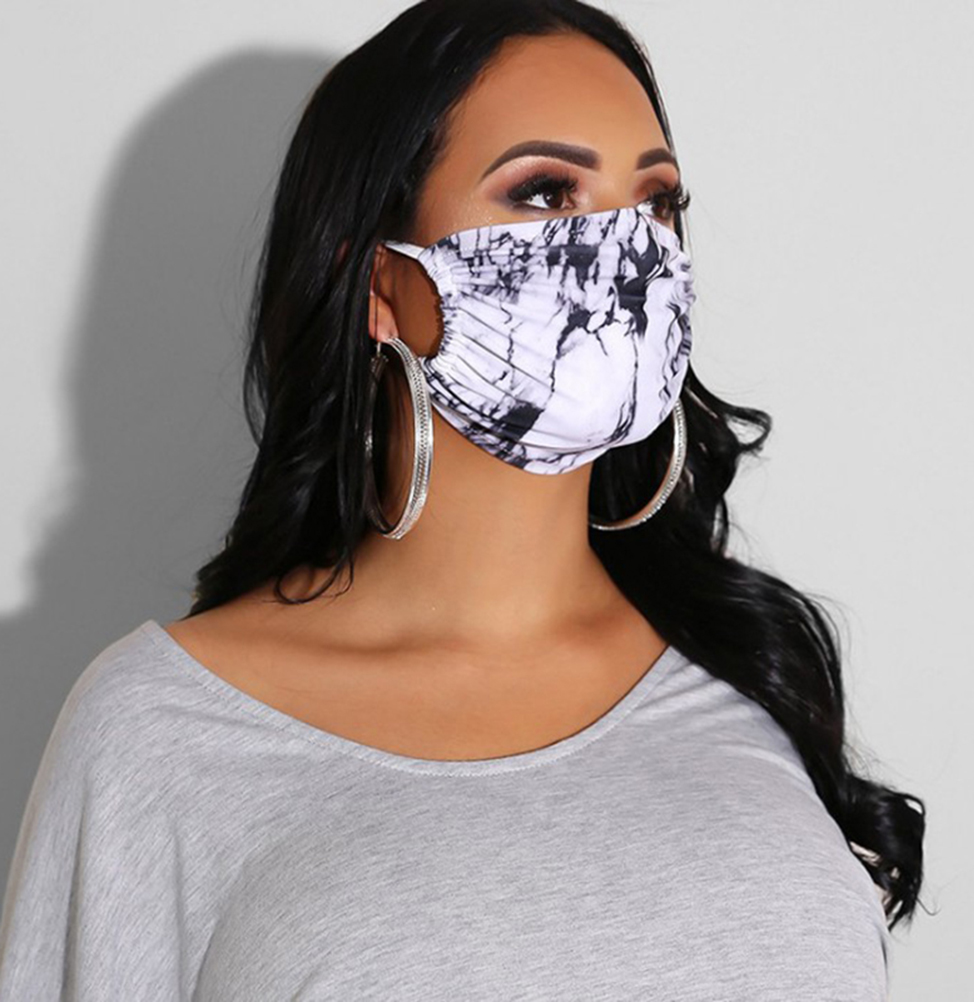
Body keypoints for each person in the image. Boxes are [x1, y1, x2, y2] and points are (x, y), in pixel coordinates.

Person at [0, 0, 926, 998]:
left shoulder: (750, 674)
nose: (626, 252)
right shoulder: (162, 731)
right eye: (545, 191)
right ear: (378, 284)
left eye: (656, 201)